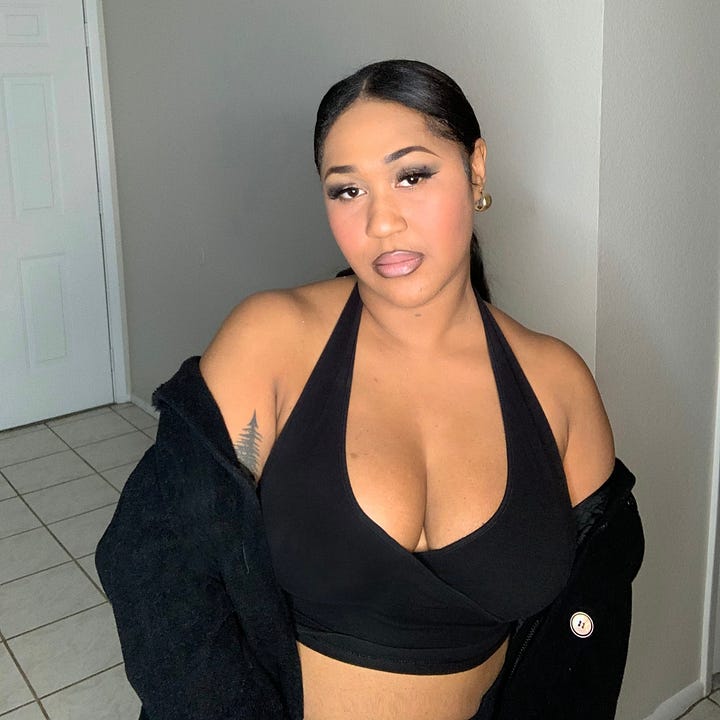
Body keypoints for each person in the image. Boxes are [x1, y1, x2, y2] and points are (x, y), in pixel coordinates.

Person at [96, 60, 643, 720]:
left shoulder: (558, 385)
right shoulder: (273, 342)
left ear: (475, 170)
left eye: (411, 176)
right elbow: (157, 569)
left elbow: (588, 628)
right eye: (348, 190)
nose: (382, 221)